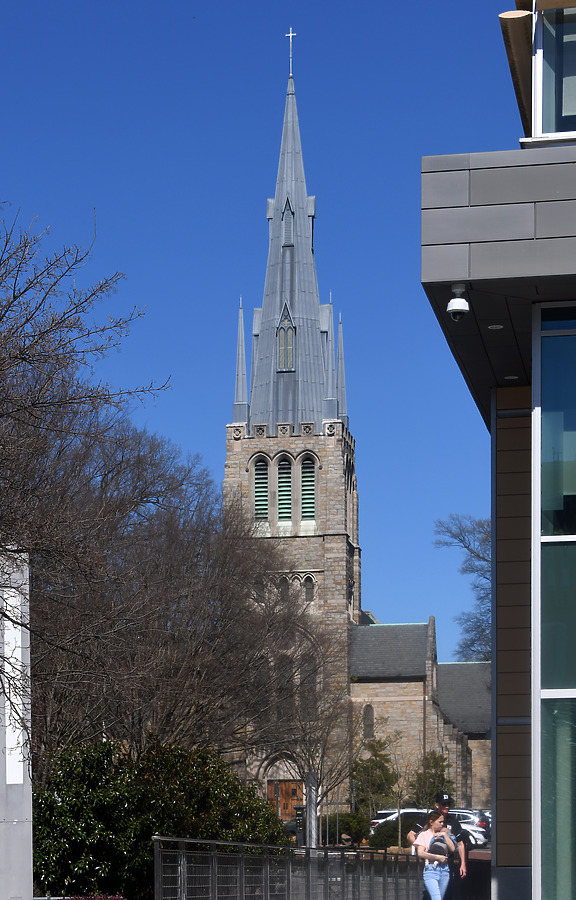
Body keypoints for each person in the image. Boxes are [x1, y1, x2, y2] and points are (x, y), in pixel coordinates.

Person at [407, 792, 467, 900]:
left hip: (447, 865)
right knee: (433, 896)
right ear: (437, 805)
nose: (447, 806)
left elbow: (459, 844)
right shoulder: (430, 819)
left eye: (448, 803)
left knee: (445, 896)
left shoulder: (453, 822)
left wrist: (463, 864)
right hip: (430, 865)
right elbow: (410, 835)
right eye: (444, 804)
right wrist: (424, 850)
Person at [414, 811, 455, 900]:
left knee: (440, 897)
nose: (442, 824)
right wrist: (437, 857)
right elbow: (420, 853)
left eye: (443, 822)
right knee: (436, 898)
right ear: (431, 822)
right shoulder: (424, 835)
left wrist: (444, 835)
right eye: (439, 822)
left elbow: (452, 849)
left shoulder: (444, 834)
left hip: (444, 870)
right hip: (431, 869)